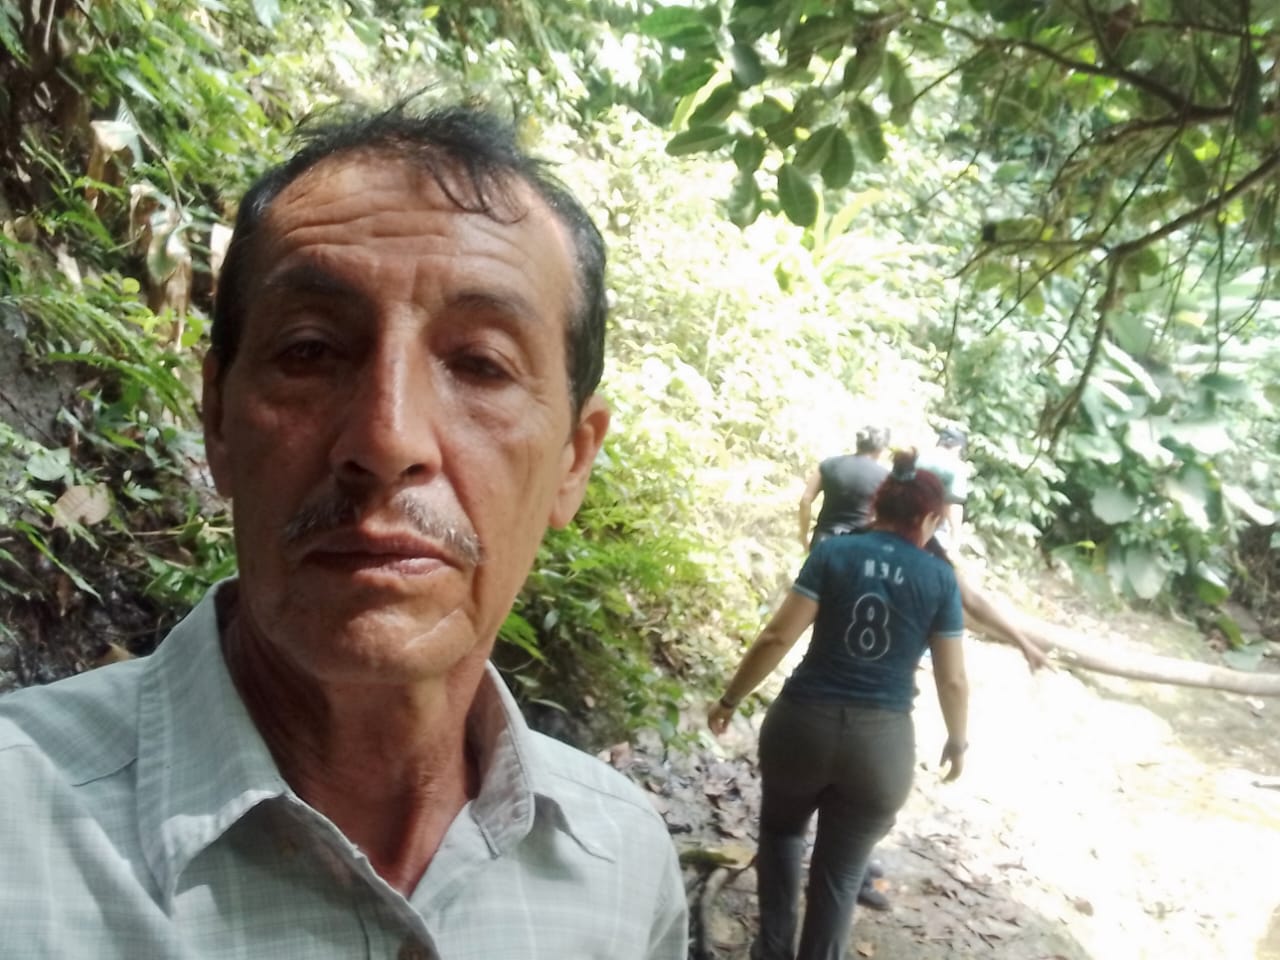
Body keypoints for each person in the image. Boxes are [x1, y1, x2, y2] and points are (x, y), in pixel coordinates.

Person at [0, 103, 687, 958]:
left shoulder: (623, 868)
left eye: (481, 364)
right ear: (218, 421)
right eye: (311, 351)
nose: (387, 439)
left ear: (572, 463)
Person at [709, 451, 969, 960]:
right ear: (928, 518)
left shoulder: (834, 552)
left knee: (782, 833)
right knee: (841, 874)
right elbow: (953, 679)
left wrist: (730, 699)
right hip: (882, 746)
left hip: (802, 726)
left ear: (878, 506)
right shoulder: (940, 578)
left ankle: (772, 950)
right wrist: (957, 741)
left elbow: (777, 636)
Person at [797, 426, 890, 549]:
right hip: (858, 545)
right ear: (881, 449)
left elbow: (805, 500)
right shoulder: (886, 478)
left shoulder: (828, 465)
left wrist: (803, 534)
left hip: (824, 540)